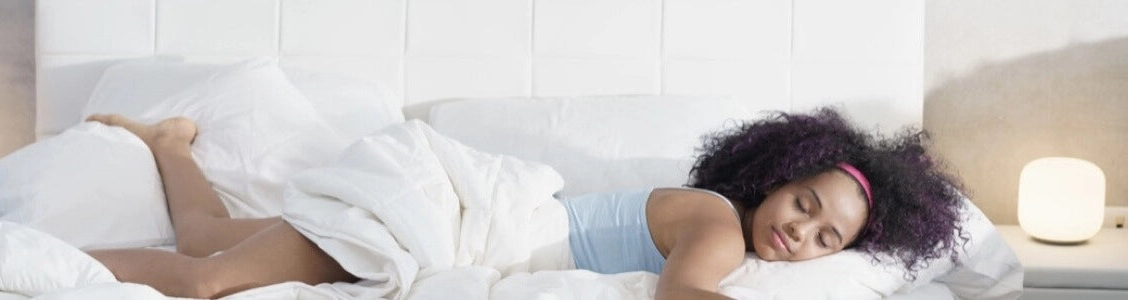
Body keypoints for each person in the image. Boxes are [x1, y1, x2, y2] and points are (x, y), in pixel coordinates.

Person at [84, 107, 965, 299]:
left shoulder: (741, 234)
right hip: (462, 215)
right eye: (804, 202)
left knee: (204, 236)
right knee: (204, 283)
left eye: (824, 239)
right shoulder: (717, 224)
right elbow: (682, 296)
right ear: (775, 176)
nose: (800, 230)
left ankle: (167, 146)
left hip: (471, 218)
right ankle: (13, 255)